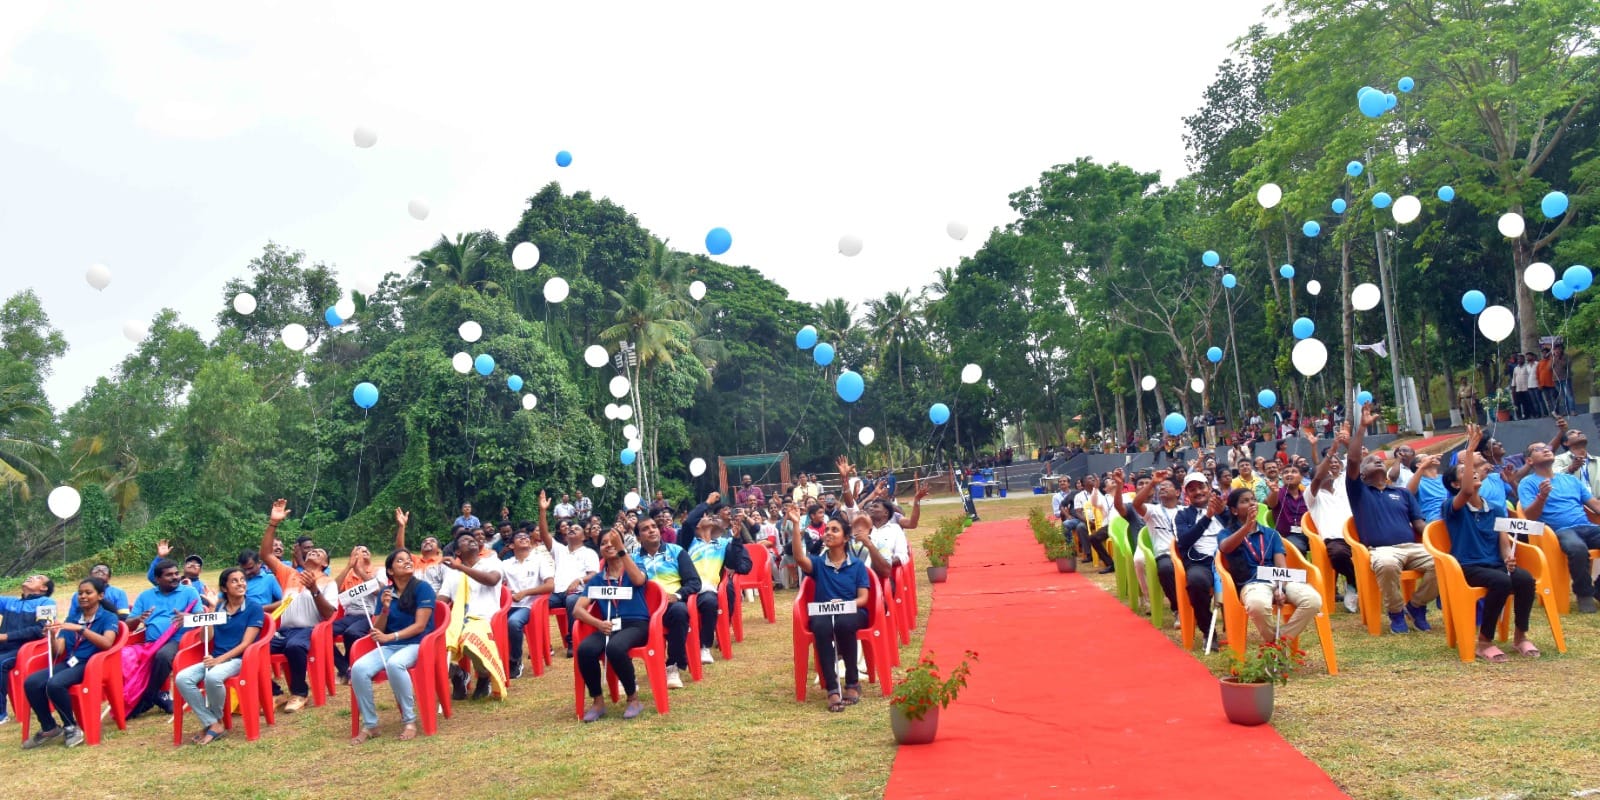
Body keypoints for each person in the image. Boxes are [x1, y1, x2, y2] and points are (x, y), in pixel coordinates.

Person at [1444, 425, 1540, 661]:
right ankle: (1484, 641)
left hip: (1495, 564)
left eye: (1474, 472)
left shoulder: (1496, 508)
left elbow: (1503, 540)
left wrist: (1508, 555)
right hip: (1468, 566)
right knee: (1500, 583)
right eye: (1465, 473)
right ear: (1456, 485)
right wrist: (1470, 450)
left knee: (1525, 580)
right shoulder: (1452, 507)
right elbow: (1467, 490)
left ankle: (1520, 636)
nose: (1473, 474)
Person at [1347, 403, 1438, 632]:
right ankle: (1396, 612)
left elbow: (1419, 523)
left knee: (1443, 562)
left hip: (1412, 547)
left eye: (1379, 459)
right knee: (1387, 565)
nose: (1377, 460)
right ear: (1363, 472)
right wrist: (1361, 429)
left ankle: (1416, 606)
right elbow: (1353, 461)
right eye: (1371, 461)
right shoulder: (1359, 491)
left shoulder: (1402, 493)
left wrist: (1437, 541)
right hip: (1382, 550)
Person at [19, 578, 119, 749]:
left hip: (91, 665)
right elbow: (58, 650)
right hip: (71, 663)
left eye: (88, 593)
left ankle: (71, 727)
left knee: (55, 684)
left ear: (100, 595)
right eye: (80, 593)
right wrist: (51, 636)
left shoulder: (108, 617)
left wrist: (81, 629)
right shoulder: (74, 616)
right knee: (32, 682)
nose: (83, 596)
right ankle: (49, 727)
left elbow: (107, 643)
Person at [787, 507, 870, 712]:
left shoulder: (857, 565)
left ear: (845, 538)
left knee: (843, 623)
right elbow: (799, 557)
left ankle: (852, 682)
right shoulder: (818, 564)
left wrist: (844, 605)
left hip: (851, 611)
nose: (829, 533)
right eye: (827, 530)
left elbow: (863, 598)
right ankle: (833, 689)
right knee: (821, 628)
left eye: (835, 530)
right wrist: (797, 525)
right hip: (824, 613)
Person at [350, 548, 437, 744]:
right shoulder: (385, 593)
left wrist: (391, 637)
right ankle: (371, 724)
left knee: (395, 665)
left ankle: (409, 721)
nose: (407, 562)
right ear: (390, 571)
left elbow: (420, 626)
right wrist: (385, 610)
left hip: (418, 644)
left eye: (408, 560)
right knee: (358, 669)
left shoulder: (422, 588)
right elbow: (378, 629)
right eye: (400, 561)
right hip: (391, 645)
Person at [261, 499, 338, 712]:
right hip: (284, 630)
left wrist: (314, 589)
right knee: (254, 648)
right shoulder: (290, 574)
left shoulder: (327, 582)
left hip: (309, 631)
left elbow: (329, 614)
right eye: (312, 551)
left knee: (294, 646)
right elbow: (266, 555)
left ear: (324, 564)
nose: (314, 552)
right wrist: (273, 523)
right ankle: (276, 692)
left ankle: (299, 693)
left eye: (319, 553)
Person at [1217, 489, 1323, 643]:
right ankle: (1277, 646)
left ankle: (1278, 642)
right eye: (1245, 501)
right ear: (1233, 510)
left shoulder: (1271, 534)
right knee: (1257, 605)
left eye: (1253, 499)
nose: (1252, 503)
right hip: (1251, 584)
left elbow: (1281, 567)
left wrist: (1282, 588)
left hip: (1276, 581)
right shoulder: (1226, 533)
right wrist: (1247, 527)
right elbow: (1225, 548)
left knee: (1313, 600)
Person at [173, 567, 264, 745]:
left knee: (213, 677)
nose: (241, 584)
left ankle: (215, 722)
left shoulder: (253, 607)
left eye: (242, 580)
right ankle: (213, 722)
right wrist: (212, 610)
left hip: (240, 660)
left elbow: (246, 644)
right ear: (224, 588)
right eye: (234, 581)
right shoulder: (220, 606)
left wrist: (218, 660)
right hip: (215, 658)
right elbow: (205, 638)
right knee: (182, 678)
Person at [574, 530, 650, 722]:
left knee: (614, 648)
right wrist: (597, 623)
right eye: (604, 543)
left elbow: (639, 580)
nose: (608, 545)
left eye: (613, 541)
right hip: (609, 625)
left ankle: (633, 698)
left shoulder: (636, 565)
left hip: (636, 623)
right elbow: (578, 610)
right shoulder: (598, 579)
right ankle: (598, 702)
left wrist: (622, 550)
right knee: (585, 649)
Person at [1518, 439, 1600, 614]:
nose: (1546, 450)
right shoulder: (1528, 483)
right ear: (1529, 461)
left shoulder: (1570, 480)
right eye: (1538, 449)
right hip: (1558, 531)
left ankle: (1598, 587)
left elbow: (1595, 506)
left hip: (1586, 525)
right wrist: (1542, 497)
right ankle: (1584, 594)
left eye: (1547, 448)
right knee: (1577, 548)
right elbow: (1530, 516)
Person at [127, 558, 205, 718]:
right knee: (124, 657)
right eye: (169, 575)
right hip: (149, 642)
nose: (175, 577)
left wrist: (188, 617)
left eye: (176, 573)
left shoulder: (189, 592)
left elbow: (202, 617)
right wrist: (139, 618)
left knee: (162, 655)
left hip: (179, 640)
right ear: (157, 579)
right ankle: (148, 696)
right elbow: (128, 625)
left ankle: (148, 697)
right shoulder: (145, 596)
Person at [631, 513, 700, 689]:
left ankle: (673, 666)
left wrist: (676, 595)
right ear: (638, 538)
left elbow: (694, 582)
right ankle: (627, 676)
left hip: (669, 605)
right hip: (643, 609)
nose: (651, 531)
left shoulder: (676, 551)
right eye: (645, 529)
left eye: (653, 527)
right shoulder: (632, 560)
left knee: (680, 611)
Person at [437, 530, 507, 700]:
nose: (472, 541)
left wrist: (460, 567)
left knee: (468, 637)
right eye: (466, 540)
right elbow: (441, 601)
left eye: (473, 539)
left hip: (485, 618)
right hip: (457, 620)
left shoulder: (491, 563)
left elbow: (492, 580)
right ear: (458, 552)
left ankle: (483, 677)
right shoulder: (452, 574)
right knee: (435, 642)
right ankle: (458, 674)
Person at [1305, 426, 1360, 612]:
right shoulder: (1312, 495)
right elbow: (1319, 474)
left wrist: (1347, 442)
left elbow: (1354, 462)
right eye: (1324, 471)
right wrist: (1332, 450)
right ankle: (1355, 583)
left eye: (1330, 469)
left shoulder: (1343, 486)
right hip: (1335, 540)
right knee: (1338, 555)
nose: (1329, 471)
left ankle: (1355, 585)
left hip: (1357, 536)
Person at [540, 496, 600, 657]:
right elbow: (544, 534)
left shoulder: (589, 553)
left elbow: (594, 574)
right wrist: (543, 511)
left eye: (577, 529)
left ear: (584, 537)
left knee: (572, 601)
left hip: (578, 592)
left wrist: (579, 580)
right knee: (537, 605)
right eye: (570, 528)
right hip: (557, 593)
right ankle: (544, 644)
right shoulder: (559, 549)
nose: (572, 529)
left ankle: (573, 642)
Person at [1118, 470, 1182, 617]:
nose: (1163, 488)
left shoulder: (1185, 510)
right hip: (1162, 552)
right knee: (1162, 568)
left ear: (1178, 492)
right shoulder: (1153, 510)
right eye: (1161, 486)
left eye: (1168, 486)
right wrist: (1153, 482)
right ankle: (1175, 607)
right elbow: (1136, 503)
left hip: (1183, 552)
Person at [1174, 472, 1225, 643]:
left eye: (1201, 487)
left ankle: (1233, 621)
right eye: (1192, 489)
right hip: (1200, 562)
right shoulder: (1182, 515)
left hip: (1228, 559)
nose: (1198, 492)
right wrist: (1207, 517)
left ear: (1209, 489)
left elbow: (1237, 529)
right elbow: (1184, 541)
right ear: (1187, 494)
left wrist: (1222, 513)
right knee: (1195, 582)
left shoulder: (1223, 509)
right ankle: (1208, 630)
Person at [502, 516, 554, 679]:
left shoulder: (539, 560)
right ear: (511, 545)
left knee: (513, 622)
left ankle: (515, 660)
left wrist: (525, 593)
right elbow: (497, 583)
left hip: (531, 605)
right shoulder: (506, 564)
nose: (524, 538)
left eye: (526, 537)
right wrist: (506, 592)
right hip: (508, 605)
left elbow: (550, 586)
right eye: (519, 537)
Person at [0, 574, 56, 725]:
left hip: (27, 650)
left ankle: (1, 714)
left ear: (44, 588)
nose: (31, 576)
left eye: (38, 577)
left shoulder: (46, 602)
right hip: (4, 647)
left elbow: (40, 629)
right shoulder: (10, 602)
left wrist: (6, 636)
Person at [332, 543, 385, 684]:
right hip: (350, 615)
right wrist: (349, 567)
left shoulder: (379, 571)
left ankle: (349, 668)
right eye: (359, 551)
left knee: (352, 633)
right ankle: (345, 668)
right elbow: (333, 591)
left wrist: (361, 572)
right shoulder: (348, 574)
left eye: (366, 550)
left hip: (370, 615)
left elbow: (379, 591)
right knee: (323, 634)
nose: (364, 551)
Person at [1267, 464, 1311, 556]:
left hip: (1309, 534)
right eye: (1285, 472)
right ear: (1282, 478)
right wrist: (1274, 492)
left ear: (1301, 477)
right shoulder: (1278, 492)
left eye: (1294, 472)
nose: (1289, 474)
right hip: (1288, 536)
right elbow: (1271, 504)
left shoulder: (1306, 494)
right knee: (1296, 547)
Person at [1553, 342, 1575, 416]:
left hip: (1565, 378)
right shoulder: (1553, 358)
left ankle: (1572, 410)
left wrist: (1559, 358)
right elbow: (1549, 367)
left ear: (1562, 349)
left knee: (1569, 395)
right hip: (1556, 380)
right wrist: (1555, 358)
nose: (1557, 350)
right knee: (1563, 396)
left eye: (1559, 349)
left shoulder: (1566, 357)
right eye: (1555, 349)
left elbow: (1566, 365)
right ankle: (1566, 411)